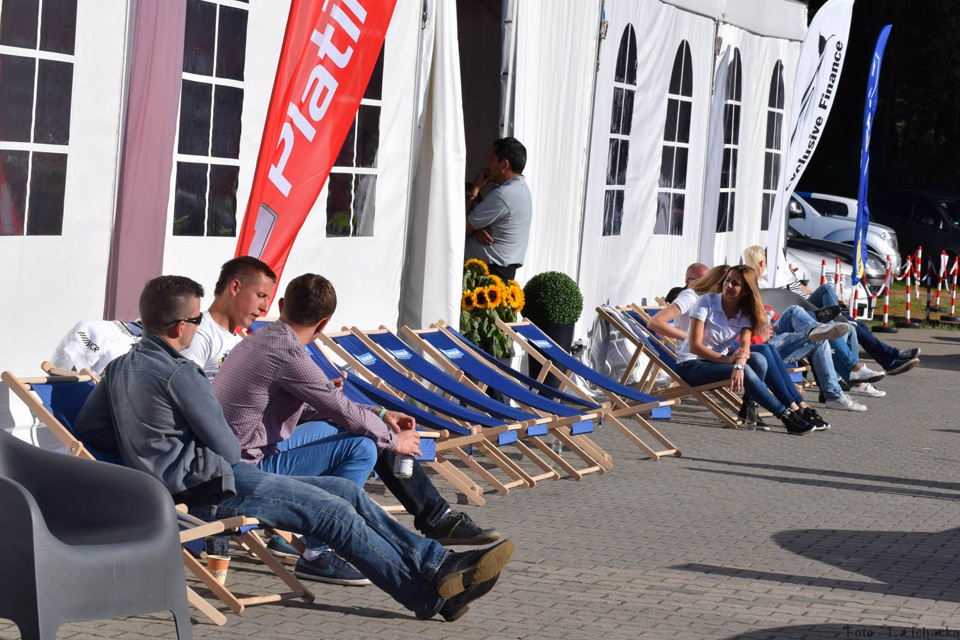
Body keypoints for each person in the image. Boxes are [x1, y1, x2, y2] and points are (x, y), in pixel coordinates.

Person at [73, 275, 514, 622]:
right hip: (209, 487)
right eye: (196, 318)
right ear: (178, 327)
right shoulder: (181, 374)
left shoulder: (120, 368)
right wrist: (177, 449)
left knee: (346, 492)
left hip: (183, 484)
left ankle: (440, 569)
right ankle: (430, 590)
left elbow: (89, 428)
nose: (200, 324)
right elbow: (226, 446)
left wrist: (149, 448)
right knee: (331, 513)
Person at [184, 259, 500, 555]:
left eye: (268, 299)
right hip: (241, 465)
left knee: (366, 427)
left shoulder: (257, 338)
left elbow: (303, 404)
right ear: (323, 324)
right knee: (364, 444)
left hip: (238, 450)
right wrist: (392, 439)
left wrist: (377, 414)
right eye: (260, 296)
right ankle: (319, 547)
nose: (263, 306)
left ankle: (433, 517)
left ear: (282, 306)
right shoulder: (267, 347)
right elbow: (339, 409)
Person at [650, 266, 832, 431]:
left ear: (745, 291)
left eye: (734, 283)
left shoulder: (743, 311)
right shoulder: (700, 300)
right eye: (727, 281)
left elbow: (745, 342)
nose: (728, 286)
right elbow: (692, 344)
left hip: (717, 358)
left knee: (762, 355)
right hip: (693, 363)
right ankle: (787, 415)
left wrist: (738, 364)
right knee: (751, 363)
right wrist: (728, 359)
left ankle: (781, 406)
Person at [744, 245, 920, 378]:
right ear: (762, 263)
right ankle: (889, 357)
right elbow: (776, 309)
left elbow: (805, 294)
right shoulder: (763, 284)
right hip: (797, 316)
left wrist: (793, 280)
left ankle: (844, 321)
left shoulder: (780, 275)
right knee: (852, 326)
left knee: (831, 295)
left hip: (808, 307)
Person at [464, 137, 532, 282]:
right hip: (497, 272)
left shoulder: (504, 195)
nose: (488, 164)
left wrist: (475, 189)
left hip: (487, 276)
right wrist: (476, 228)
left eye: (492, 159)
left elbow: (462, 229)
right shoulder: (520, 189)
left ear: (504, 164)